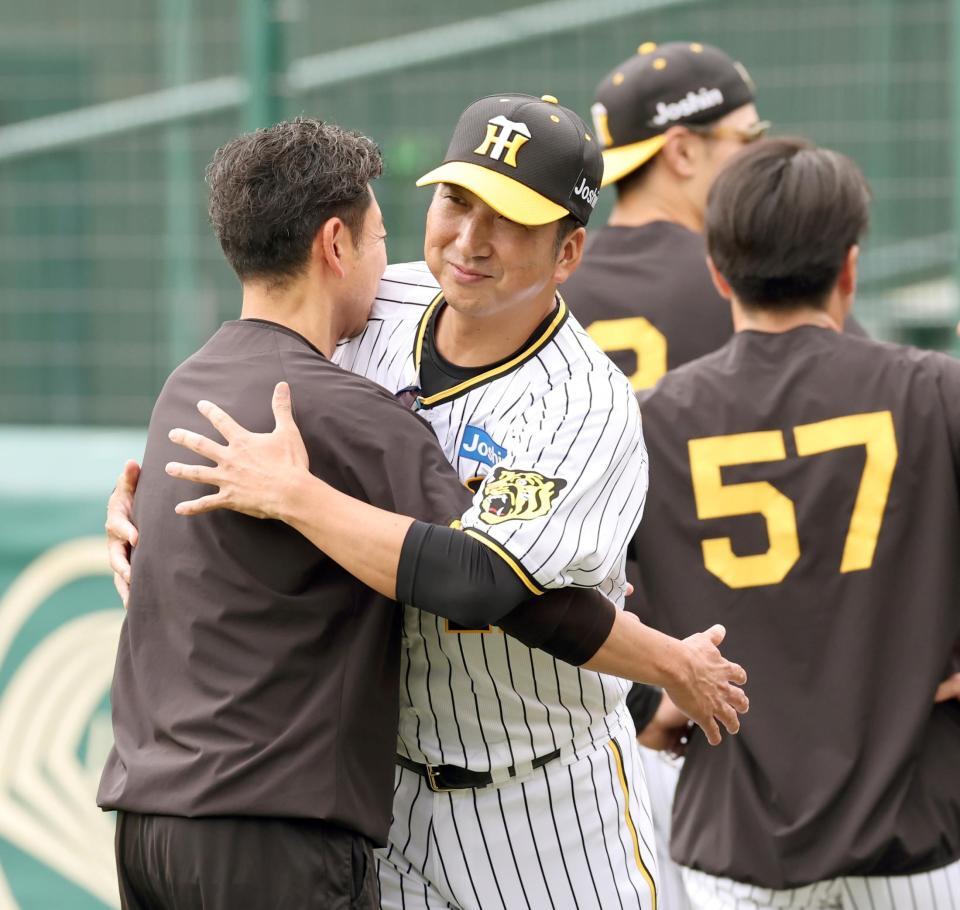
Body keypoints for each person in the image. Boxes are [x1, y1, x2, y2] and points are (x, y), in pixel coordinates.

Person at [108, 93, 749, 910]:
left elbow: (483, 580)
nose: (469, 240)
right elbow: (242, 381)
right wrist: (142, 504)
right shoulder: (372, 300)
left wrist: (297, 498)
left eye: (510, 219)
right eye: (456, 200)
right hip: (386, 796)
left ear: (568, 252)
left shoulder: (583, 405)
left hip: (541, 797)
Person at [631, 136, 960, 908]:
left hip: (733, 835)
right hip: (915, 832)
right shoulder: (938, 393)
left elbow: (555, 589)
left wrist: (648, 699)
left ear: (717, 272)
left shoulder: (649, 422)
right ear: (850, 268)